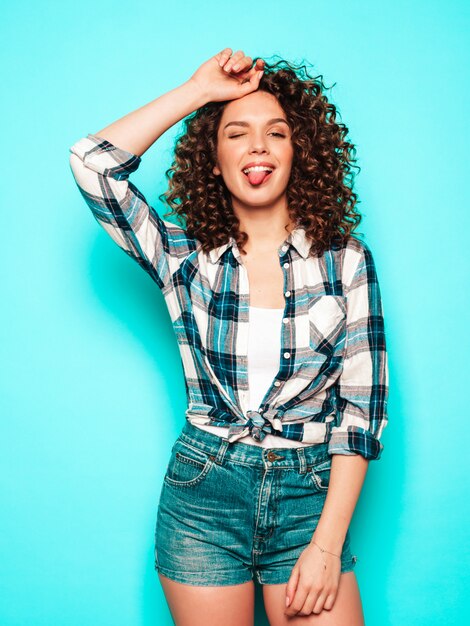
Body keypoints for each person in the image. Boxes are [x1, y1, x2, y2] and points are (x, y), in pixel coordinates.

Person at [68, 48, 389, 625]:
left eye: (277, 133)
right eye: (237, 134)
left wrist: (325, 546)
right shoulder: (184, 257)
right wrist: (198, 92)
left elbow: (361, 414)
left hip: (308, 501)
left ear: (299, 154)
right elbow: (91, 164)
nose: (259, 146)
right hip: (203, 497)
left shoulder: (347, 262)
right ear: (214, 161)